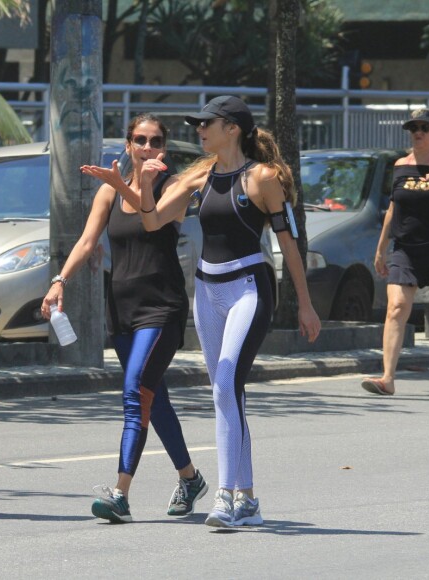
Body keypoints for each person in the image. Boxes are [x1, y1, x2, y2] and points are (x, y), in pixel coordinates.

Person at [84, 96, 321, 528]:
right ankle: (248, 499)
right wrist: (126, 183)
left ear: (232, 128)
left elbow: (289, 244)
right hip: (208, 291)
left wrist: (304, 304)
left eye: (207, 124)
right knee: (225, 390)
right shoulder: (200, 175)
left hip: (250, 285)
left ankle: (229, 497)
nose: (199, 130)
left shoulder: (263, 177)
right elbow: (152, 220)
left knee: (227, 380)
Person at [42, 113, 208, 523]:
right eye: (140, 140)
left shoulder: (176, 189)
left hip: (162, 308)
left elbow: (151, 216)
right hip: (123, 310)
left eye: (155, 141)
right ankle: (190, 478)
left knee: (135, 392)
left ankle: (120, 494)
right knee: (155, 396)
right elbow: (86, 241)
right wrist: (60, 279)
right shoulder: (110, 193)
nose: (148, 147)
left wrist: (125, 184)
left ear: (163, 148)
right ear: (130, 145)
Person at [361, 109, 429, 396]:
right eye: (413, 128)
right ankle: (387, 378)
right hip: (406, 249)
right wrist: (380, 250)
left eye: (425, 128)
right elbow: (393, 209)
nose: (418, 132)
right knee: (395, 309)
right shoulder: (400, 166)